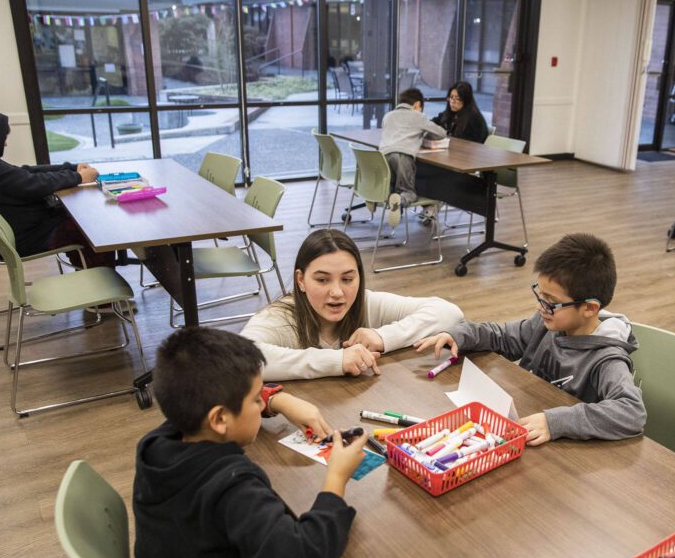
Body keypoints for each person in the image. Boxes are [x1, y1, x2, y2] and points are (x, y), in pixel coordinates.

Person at [133, 326, 368, 558]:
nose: (263, 403)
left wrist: (277, 400)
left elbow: (224, 408)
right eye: (257, 399)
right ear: (220, 418)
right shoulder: (232, 486)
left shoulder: (158, 445)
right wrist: (335, 479)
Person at [415, 233, 646, 447]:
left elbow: (632, 412)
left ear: (589, 308)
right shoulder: (548, 323)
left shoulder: (607, 359)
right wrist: (459, 335)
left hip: (566, 455)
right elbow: (503, 337)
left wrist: (555, 422)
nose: (540, 306)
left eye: (550, 300)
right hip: (523, 431)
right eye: (540, 294)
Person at [239, 229, 464, 380]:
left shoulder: (365, 302)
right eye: (322, 280)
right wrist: (336, 360)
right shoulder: (280, 316)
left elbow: (449, 313)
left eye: (347, 279)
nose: (337, 293)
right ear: (301, 280)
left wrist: (384, 337)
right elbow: (241, 359)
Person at [0, 103, 113, 268]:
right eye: (2, 137)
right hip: (27, 237)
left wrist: (70, 168)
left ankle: (92, 272)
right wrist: (78, 177)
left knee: (82, 220)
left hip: (7, 233)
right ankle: (103, 283)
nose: (5, 143)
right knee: (90, 228)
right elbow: (32, 184)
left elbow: (23, 172)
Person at [379, 87, 447, 223]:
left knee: (394, 187)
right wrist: (425, 132)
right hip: (403, 157)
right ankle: (400, 201)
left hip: (383, 157)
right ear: (417, 104)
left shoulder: (388, 116)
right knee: (409, 192)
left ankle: (391, 199)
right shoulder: (417, 116)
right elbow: (441, 133)